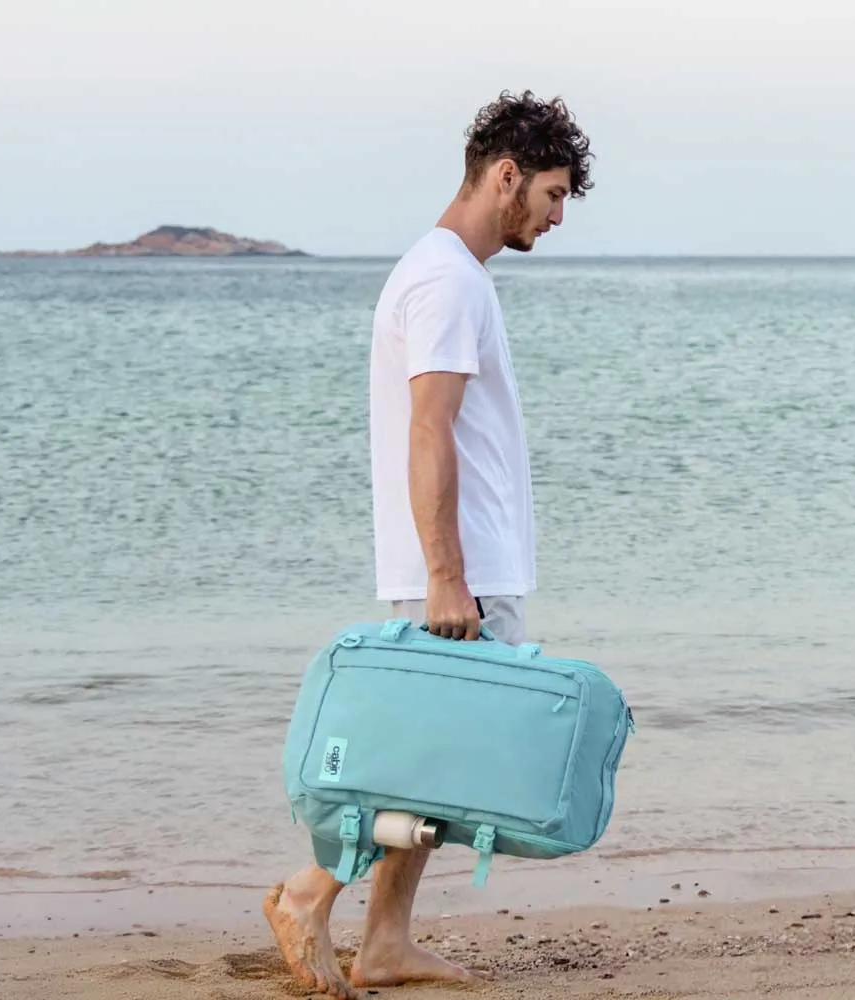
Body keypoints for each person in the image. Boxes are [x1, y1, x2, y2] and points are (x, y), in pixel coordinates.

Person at [264, 89, 593, 999]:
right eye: (553, 194)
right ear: (505, 176)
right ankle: (308, 894)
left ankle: (385, 943)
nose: (558, 217)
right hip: (461, 568)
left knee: (440, 757)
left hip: (472, 563)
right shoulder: (447, 279)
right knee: (428, 754)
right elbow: (428, 428)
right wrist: (448, 575)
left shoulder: (451, 273)